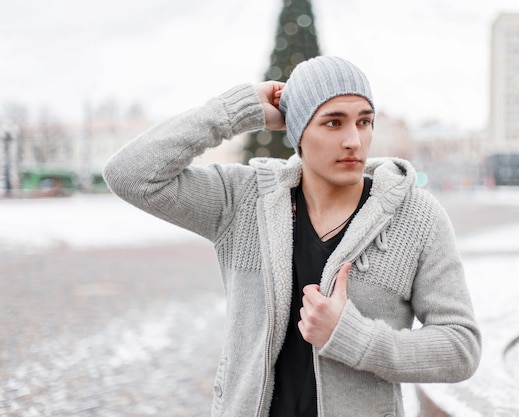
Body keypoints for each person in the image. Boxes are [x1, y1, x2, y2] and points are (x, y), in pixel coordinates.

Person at [103, 56, 481, 417]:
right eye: (333, 123)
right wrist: (237, 110)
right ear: (298, 132)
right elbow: (130, 174)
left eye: (364, 122)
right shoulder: (243, 200)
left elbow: (460, 347)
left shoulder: (416, 217)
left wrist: (354, 337)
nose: (354, 140)